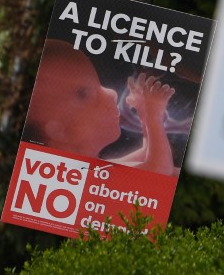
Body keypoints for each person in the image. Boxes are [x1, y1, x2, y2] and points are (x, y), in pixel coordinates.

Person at [23, 39, 177, 175]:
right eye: (84, 94)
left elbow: (145, 155)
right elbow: (160, 171)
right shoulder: (81, 177)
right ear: (58, 131)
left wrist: (145, 117)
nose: (112, 93)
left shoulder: (93, 168)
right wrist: (153, 118)